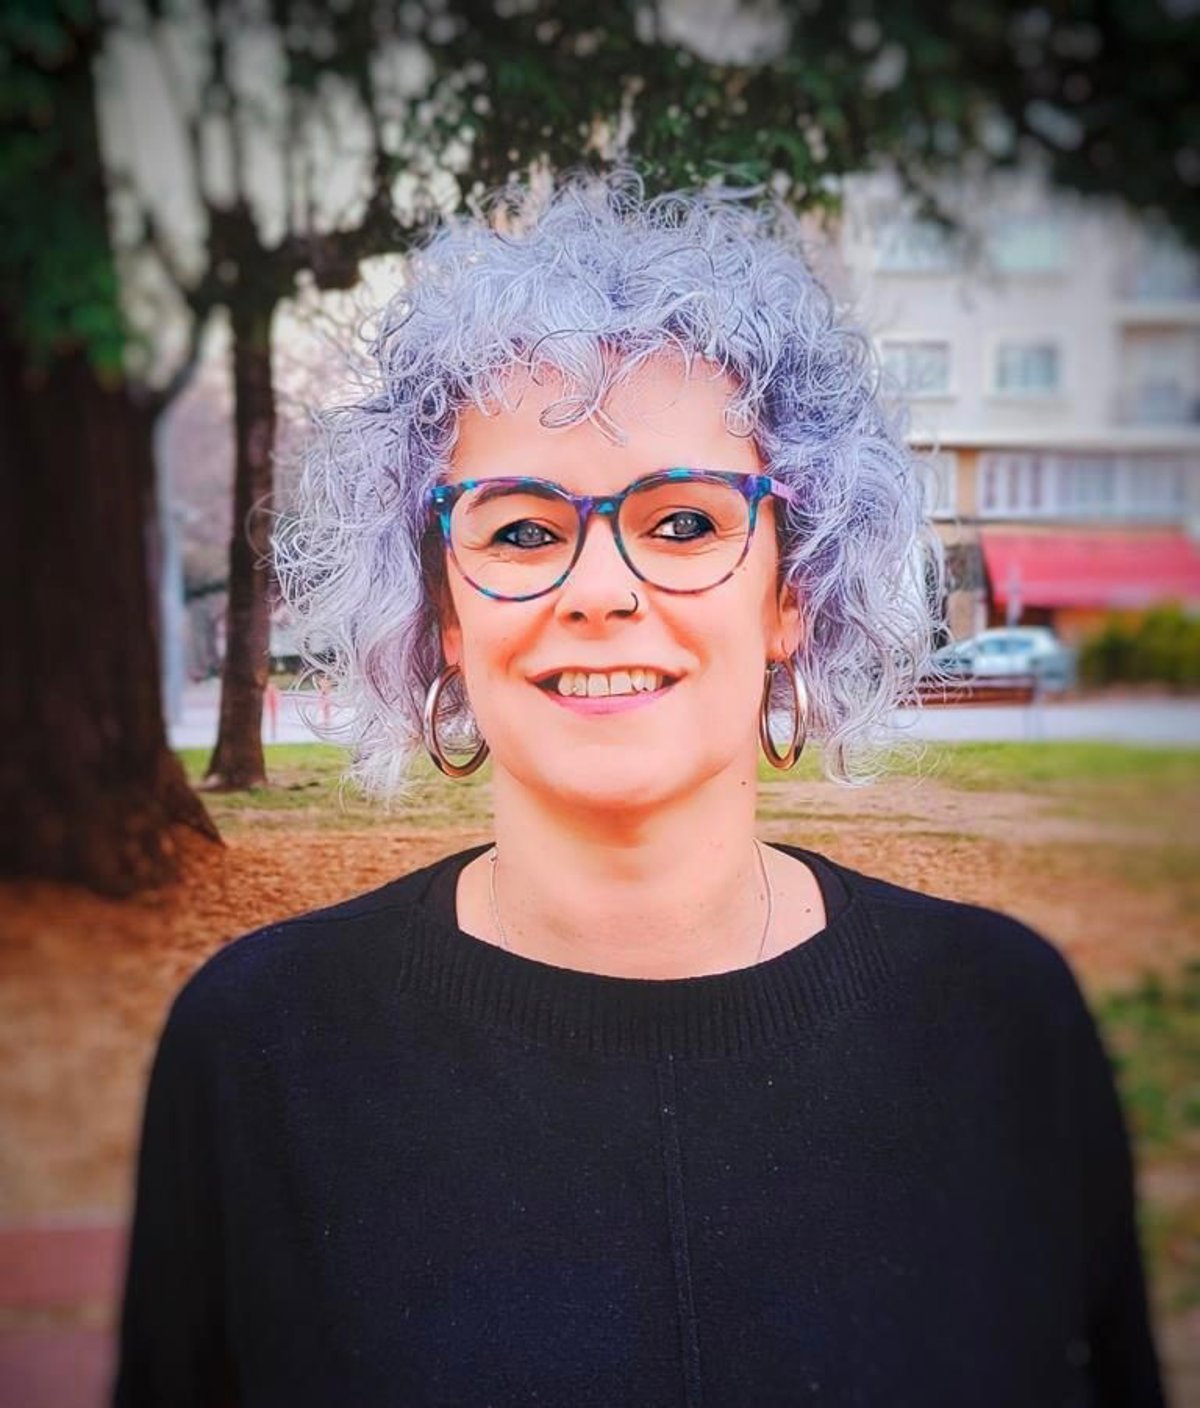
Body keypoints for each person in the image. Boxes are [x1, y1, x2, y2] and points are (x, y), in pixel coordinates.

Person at [112, 173, 1166, 1407]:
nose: (601, 589)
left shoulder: (1005, 1027)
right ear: (443, 611)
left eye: (682, 523)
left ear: (791, 593)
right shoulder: (257, 1054)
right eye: (521, 530)